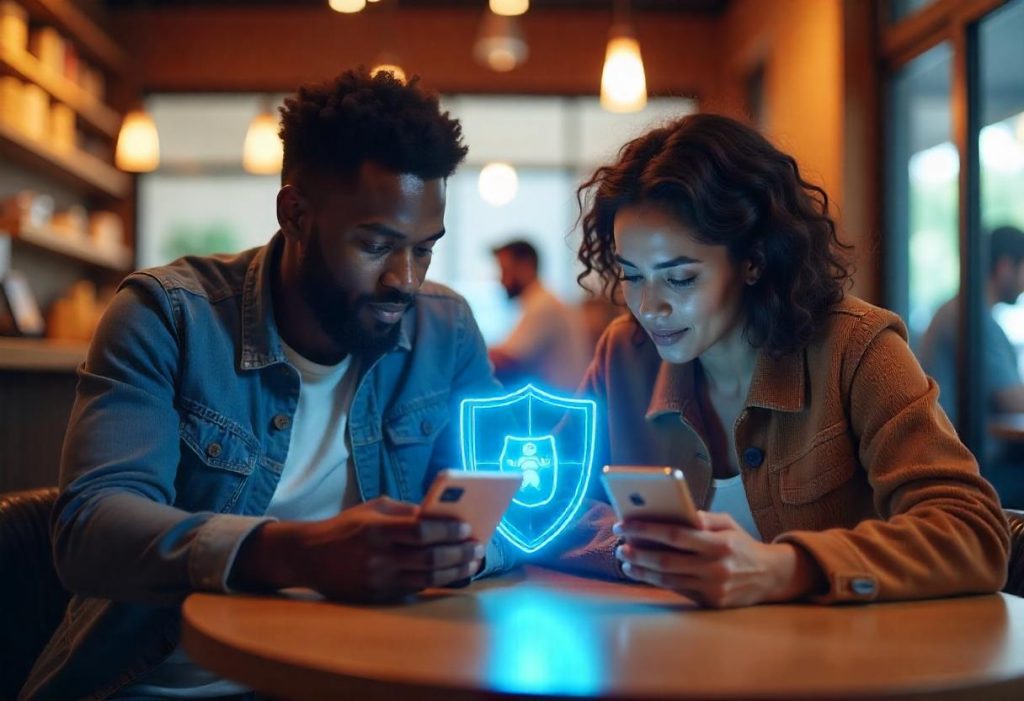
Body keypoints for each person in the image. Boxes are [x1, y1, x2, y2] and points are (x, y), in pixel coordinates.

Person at [21, 70, 514, 701]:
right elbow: (90, 531)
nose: (406, 279)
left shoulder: (445, 331)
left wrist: (459, 551)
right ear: (295, 214)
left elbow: (504, 512)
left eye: (424, 249)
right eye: (377, 244)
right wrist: (300, 553)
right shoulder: (169, 315)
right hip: (156, 682)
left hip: (360, 674)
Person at [572, 113, 1010, 607]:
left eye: (680, 278)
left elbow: (972, 534)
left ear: (754, 260)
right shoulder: (624, 355)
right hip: (673, 664)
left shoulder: (857, 347)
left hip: (844, 667)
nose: (650, 306)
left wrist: (789, 568)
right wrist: (634, 551)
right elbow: (552, 505)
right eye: (632, 276)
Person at [918, 225, 1024, 505]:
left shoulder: (961, 310)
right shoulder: (972, 317)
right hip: (967, 469)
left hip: (958, 460)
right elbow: (1010, 399)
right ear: (1004, 267)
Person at [488, 239, 590, 393]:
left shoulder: (542, 305)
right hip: (556, 401)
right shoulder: (541, 300)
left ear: (525, 267)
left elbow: (507, 360)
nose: (501, 279)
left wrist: (466, 353)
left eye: (505, 270)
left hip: (557, 407)